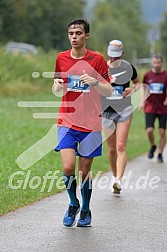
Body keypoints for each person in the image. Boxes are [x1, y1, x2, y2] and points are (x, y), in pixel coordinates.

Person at [53, 19, 111, 227]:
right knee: (68, 166)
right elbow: (57, 89)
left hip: (91, 123)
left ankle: (85, 210)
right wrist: (57, 85)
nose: (74, 37)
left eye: (78, 33)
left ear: (86, 35)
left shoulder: (97, 59)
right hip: (67, 120)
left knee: (84, 172)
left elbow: (109, 90)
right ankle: (73, 203)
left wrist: (95, 82)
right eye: (71, 33)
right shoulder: (61, 58)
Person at [102, 40, 140, 194]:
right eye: (111, 56)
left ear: (122, 54)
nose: (113, 59)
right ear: (107, 52)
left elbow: (137, 83)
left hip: (124, 110)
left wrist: (132, 90)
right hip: (106, 111)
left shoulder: (128, 67)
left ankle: (118, 180)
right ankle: (114, 175)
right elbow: (94, 86)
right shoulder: (102, 67)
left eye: (116, 56)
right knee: (111, 149)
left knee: (120, 146)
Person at [139, 54, 167, 163]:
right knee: (149, 130)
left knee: (162, 132)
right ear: (152, 63)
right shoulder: (147, 75)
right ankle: (153, 146)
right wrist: (142, 102)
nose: (156, 65)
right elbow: (143, 88)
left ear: (162, 63)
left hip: (163, 108)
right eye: (154, 62)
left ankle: (160, 153)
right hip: (150, 107)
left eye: (158, 63)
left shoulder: (165, 75)